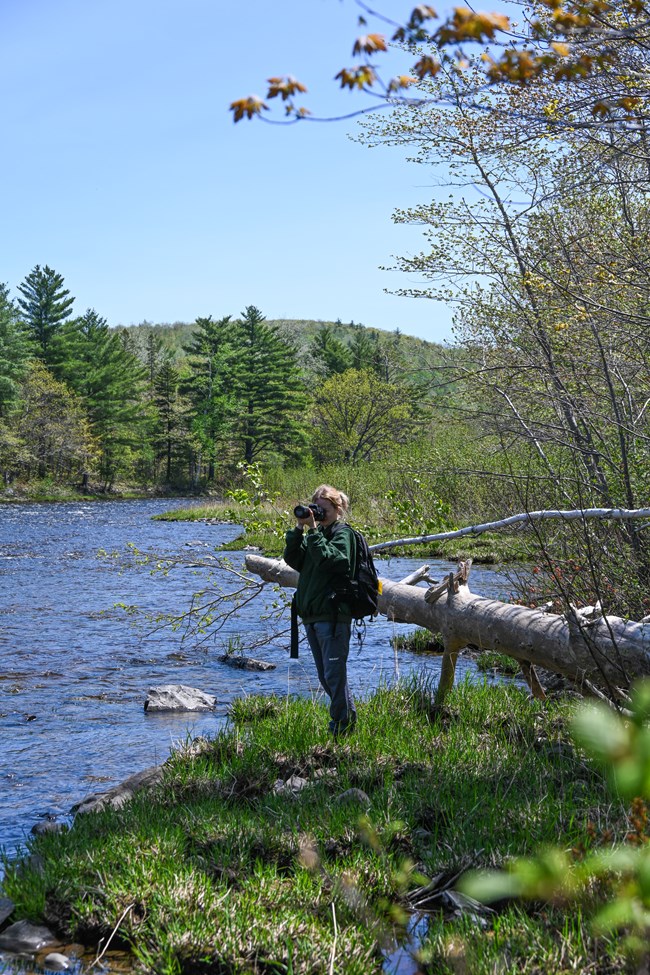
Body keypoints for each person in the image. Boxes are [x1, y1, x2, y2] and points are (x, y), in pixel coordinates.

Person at [283, 484, 357, 737]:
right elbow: (294, 559)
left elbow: (334, 561)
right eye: (316, 509)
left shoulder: (342, 534)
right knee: (326, 677)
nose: (319, 515)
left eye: (323, 510)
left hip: (334, 616)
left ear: (338, 509)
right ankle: (344, 723)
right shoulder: (320, 535)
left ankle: (341, 728)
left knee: (334, 676)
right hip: (313, 615)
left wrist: (314, 532)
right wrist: (299, 528)